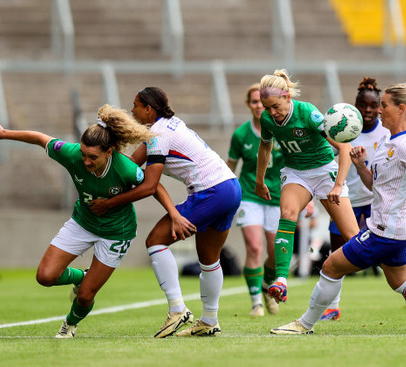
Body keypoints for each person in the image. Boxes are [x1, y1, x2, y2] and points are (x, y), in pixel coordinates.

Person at [270, 83, 406, 335]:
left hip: (385, 230)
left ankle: (304, 324)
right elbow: (377, 184)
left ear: (401, 109)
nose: (379, 111)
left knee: (330, 266)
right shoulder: (388, 140)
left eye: (384, 105)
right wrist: (361, 166)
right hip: (400, 227)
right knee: (401, 282)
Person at [0, 105, 185, 338]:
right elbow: (40, 138)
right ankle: (82, 277)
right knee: (45, 277)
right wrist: (4, 134)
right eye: (84, 154)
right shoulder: (72, 153)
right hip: (82, 223)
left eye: (92, 157)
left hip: (116, 232)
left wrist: (174, 214)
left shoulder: (125, 168)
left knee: (86, 296)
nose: (85, 161)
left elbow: (153, 186)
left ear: (109, 153)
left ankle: (70, 324)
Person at [88, 87, 241, 337]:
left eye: (136, 105)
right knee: (209, 258)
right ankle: (209, 320)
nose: (132, 110)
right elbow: (131, 163)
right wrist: (107, 148)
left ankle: (177, 309)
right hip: (230, 187)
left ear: (149, 109)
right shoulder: (167, 125)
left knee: (155, 241)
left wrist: (108, 203)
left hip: (211, 192)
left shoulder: (158, 133)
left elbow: (149, 186)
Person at [321, 77, 406, 321]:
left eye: (373, 105)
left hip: (377, 202)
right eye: (363, 106)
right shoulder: (344, 128)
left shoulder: (388, 130)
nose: (369, 111)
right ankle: (333, 307)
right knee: (337, 253)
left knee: (385, 257)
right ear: (355, 107)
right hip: (347, 199)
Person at [255, 69, 359, 303]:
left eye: (275, 106)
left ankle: (402, 282)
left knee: (353, 237)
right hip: (296, 174)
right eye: (266, 108)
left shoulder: (308, 113)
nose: (272, 113)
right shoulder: (267, 120)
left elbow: (344, 148)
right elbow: (265, 148)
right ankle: (281, 282)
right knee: (288, 213)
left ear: (287, 98)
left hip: (324, 172)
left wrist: (337, 186)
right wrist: (259, 180)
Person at [227, 83, 282, 317]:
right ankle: (255, 303)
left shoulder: (282, 129)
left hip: (278, 196)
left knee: (275, 252)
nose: (258, 105)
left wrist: (306, 198)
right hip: (249, 195)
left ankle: (267, 285)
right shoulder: (241, 135)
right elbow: (229, 168)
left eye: (261, 100)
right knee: (254, 247)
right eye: (254, 101)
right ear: (248, 105)